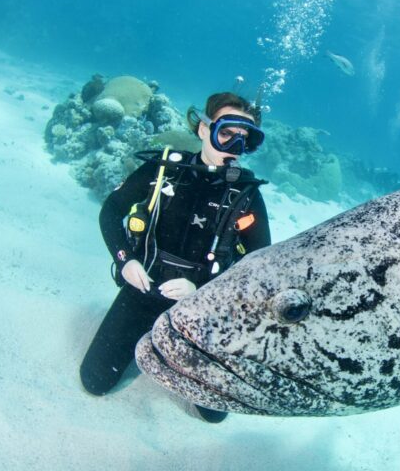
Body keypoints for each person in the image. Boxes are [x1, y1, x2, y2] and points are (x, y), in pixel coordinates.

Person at [80, 92, 271, 423]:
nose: (234, 147)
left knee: (213, 414)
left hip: (202, 307)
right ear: (203, 129)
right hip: (144, 289)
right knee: (94, 382)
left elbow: (258, 265)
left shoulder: (247, 196)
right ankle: (149, 334)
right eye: (226, 133)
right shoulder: (163, 169)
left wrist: (204, 287)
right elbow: (111, 210)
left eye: (245, 139)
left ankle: (172, 346)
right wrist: (126, 261)